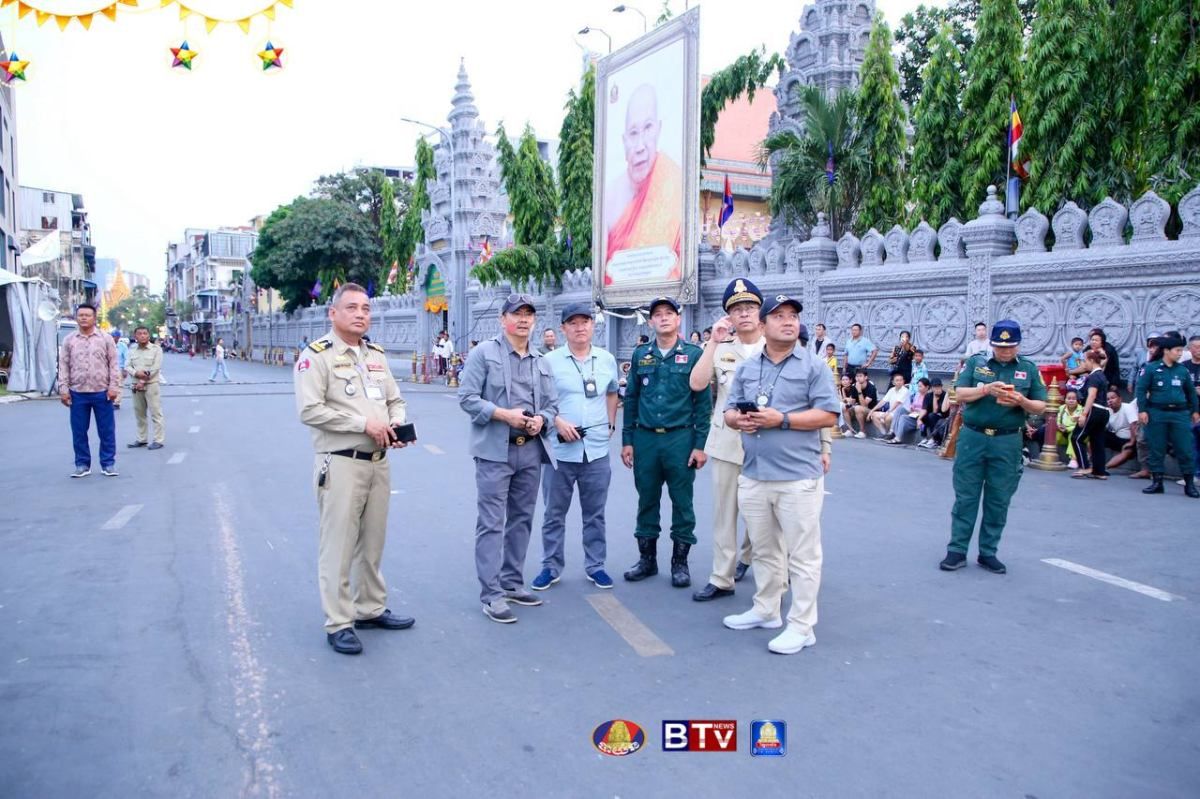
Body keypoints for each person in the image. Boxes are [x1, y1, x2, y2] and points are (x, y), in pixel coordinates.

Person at [294, 283, 414, 655]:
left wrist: (395, 424)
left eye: (365, 308)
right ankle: (339, 622)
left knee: (372, 542)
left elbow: (394, 399)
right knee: (339, 546)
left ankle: (369, 608)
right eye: (351, 308)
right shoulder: (317, 356)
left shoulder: (374, 355)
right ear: (333, 313)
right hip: (341, 462)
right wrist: (364, 424)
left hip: (378, 462)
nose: (361, 314)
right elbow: (310, 410)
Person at [721, 293, 840, 654]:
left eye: (793, 316)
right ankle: (766, 609)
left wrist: (782, 419)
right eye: (779, 316)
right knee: (764, 550)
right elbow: (728, 411)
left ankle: (802, 626)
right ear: (762, 325)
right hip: (755, 473)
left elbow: (829, 415)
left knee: (802, 556)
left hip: (797, 477)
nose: (788, 321)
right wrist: (739, 420)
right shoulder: (748, 367)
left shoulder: (814, 366)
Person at [458, 293, 559, 623]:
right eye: (517, 314)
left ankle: (512, 582)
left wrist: (542, 419)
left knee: (522, 519)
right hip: (494, 452)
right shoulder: (484, 354)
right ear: (503, 320)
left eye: (529, 314)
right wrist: (504, 415)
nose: (523, 319)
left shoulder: (541, 361)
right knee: (491, 523)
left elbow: (552, 405)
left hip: (530, 450)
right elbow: (467, 398)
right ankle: (491, 594)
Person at [939, 320, 1047, 575]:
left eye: (1009, 347)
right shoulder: (976, 363)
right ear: (992, 344)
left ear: (1018, 345)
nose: (1005, 351)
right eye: (999, 346)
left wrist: (1021, 400)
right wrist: (986, 389)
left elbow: (1041, 406)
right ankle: (957, 550)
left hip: (1007, 441)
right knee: (966, 496)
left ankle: (988, 552)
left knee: (999, 499)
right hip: (973, 438)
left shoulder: (1029, 369)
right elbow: (958, 393)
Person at [621, 296, 711, 588]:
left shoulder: (694, 355)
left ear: (678, 319)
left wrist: (700, 445)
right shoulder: (641, 355)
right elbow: (631, 398)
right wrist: (627, 440)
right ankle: (647, 560)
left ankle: (679, 562)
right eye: (657, 314)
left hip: (680, 439)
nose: (663, 318)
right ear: (651, 321)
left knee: (682, 502)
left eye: (669, 313)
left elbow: (703, 405)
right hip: (645, 438)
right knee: (646, 499)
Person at [531, 302, 619, 591]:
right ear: (563, 328)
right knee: (554, 514)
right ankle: (550, 566)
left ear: (593, 325)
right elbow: (538, 400)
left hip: (596, 452)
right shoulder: (548, 362)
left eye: (585, 322)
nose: (580, 328)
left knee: (595, 514)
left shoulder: (606, 359)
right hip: (560, 453)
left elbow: (612, 392)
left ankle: (596, 565)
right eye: (573, 323)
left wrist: (610, 424)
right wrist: (557, 422)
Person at [688, 278, 764, 601]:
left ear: (760, 312)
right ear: (728, 317)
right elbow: (697, 383)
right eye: (737, 309)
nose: (743, 314)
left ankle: (752, 558)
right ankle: (722, 577)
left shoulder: (776, 347)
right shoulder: (722, 349)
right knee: (725, 514)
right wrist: (712, 343)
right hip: (727, 443)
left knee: (767, 511)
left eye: (749, 308)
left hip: (768, 443)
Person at [603, 84, 682, 280]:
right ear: (624, 141)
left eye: (648, 128)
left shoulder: (674, 183)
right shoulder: (609, 199)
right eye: (633, 133)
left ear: (658, 129)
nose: (640, 147)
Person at [59, 303, 121, 478]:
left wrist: (113, 387)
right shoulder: (69, 340)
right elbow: (63, 365)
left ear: (94, 318)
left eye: (87, 315)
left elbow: (114, 364)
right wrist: (63, 389)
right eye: (81, 315)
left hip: (102, 392)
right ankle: (82, 464)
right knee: (79, 431)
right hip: (77, 392)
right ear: (76, 318)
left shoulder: (105, 339)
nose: (84, 318)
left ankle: (108, 464)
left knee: (106, 431)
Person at [1136, 334, 1199, 497]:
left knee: (1185, 449)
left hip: (1180, 414)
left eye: (1181, 350)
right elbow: (1141, 390)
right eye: (1177, 350)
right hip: (1157, 413)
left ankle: (1189, 484)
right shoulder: (1151, 368)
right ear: (1166, 351)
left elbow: (1191, 393)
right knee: (1156, 448)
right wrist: (1142, 410)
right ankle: (1157, 482)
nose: (1180, 353)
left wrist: (1195, 411)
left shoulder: (1182, 370)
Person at [1070, 350, 1111, 479]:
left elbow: (1092, 395)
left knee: (1076, 438)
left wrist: (1084, 414)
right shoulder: (1101, 375)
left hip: (1094, 409)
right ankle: (1099, 471)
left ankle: (1085, 467)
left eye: (1085, 361)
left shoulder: (1093, 376)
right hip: (1104, 411)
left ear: (1091, 361)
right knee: (1097, 440)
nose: (1083, 364)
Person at [126, 326, 165, 450]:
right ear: (135, 336)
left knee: (156, 413)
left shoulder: (156, 349)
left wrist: (142, 380)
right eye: (139, 334)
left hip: (151, 385)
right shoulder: (132, 350)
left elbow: (155, 367)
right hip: (136, 385)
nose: (142, 336)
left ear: (148, 335)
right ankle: (141, 439)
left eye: (145, 333)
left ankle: (158, 440)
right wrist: (136, 373)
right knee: (139, 413)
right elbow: (127, 366)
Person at [1102, 387, 1141, 472]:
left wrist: (1132, 442)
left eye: (1113, 398)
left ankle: (1104, 468)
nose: (1110, 401)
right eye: (1108, 399)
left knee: (1128, 451)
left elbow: (1133, 425)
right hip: (1117, 437)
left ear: (1120, 399)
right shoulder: (1107, 411)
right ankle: (1091, 463)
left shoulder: (1127, 407)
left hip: (1130, 439)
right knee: (1096, 437)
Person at [887, 377, 930, 444]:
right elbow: (912, 406)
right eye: (918, 386)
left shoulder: (929, 396)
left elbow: (926, 410)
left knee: (903, 417)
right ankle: (892, 431)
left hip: (920, 417)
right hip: (913, 414)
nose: (918, 388)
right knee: (900, 409)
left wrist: (918, 414)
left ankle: (898, 438)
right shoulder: (917, 394)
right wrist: (912, 408)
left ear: (927, 387)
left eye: (920, 386)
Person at [870, 371, 911, 440]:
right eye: (897, 380)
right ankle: (884, 433)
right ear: (893, 382)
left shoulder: (905, 391)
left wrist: (888, 412)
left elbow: (897, 403)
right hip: (891, 412)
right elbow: (883, 401)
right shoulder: (891, 390)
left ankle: (891, 433)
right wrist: (872, 410)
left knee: (888, 417)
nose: (899, 382)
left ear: (903, 381)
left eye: (901, 380)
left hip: (900, 414)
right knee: (874, 415)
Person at [917, 378, 950, 448]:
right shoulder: (928, 396)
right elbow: (924, 409)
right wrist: (919, 419)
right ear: (931, 388)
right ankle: (924, 438)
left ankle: (934, 439)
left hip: (942, 417)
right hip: (931, 417)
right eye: (935, 387)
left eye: (939, 386)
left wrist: (935, 397)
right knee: (923, 417)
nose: (937, 388)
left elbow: (936, 411)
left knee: (932, 415)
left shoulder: (945, 395)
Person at [844, 370, 877, 438]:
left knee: (858, 408)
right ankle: (850, 430)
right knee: (845, 407)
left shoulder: (871, 387)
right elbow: (853, 401)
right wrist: (848, 401)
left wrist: (859, 390)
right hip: (858, 409)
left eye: (860, 376)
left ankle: (863, 431)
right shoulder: (854, 386)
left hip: (870, 410)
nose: (858, 378)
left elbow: (864, 405)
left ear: (866, 377)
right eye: (857, 376)